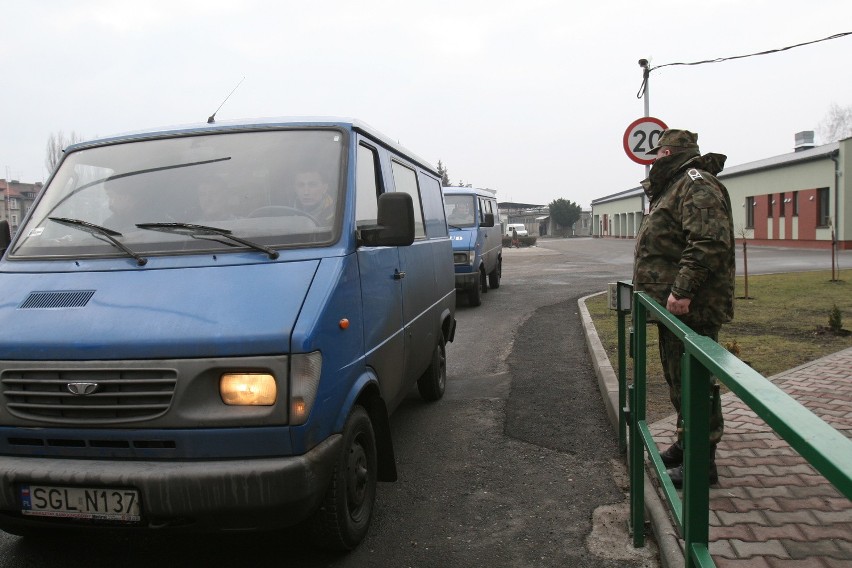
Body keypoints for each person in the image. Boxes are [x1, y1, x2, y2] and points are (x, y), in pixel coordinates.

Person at [632, 129, 735, 488]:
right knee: (679, 381)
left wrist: (683, 291)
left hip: (692, 307)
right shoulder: (673, 187)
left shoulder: (695, 183)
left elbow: (708, 241)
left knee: (696, 383)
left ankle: (701, 463)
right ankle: (685, 442)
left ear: (673, 152)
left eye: (660, 152)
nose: (655, 158)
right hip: (673, 309)